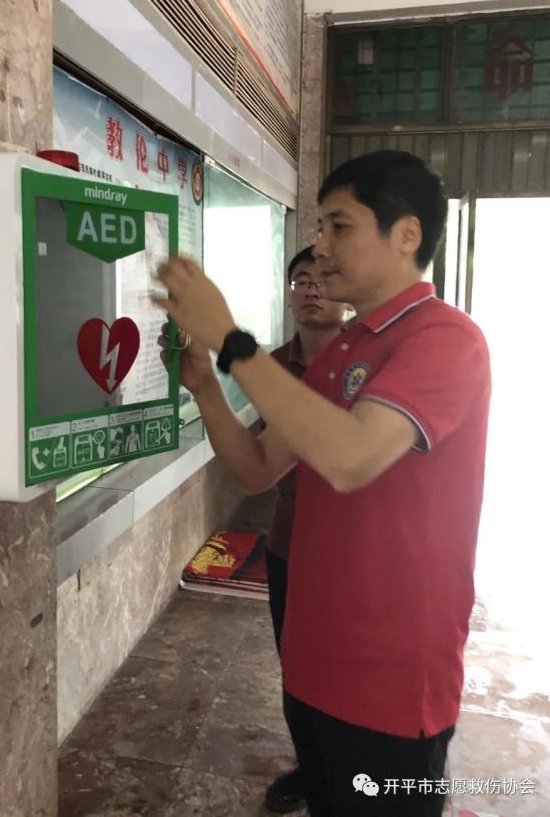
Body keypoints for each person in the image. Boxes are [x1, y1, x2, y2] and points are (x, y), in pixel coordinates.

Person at [154, 150, 490, 816]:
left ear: (406, 235)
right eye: (319, 227)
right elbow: (258, 467)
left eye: (339, 226)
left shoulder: (446, 341)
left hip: (392, 678)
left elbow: (350, 457)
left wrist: (231, 339)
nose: (321, 246)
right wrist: (205, 389)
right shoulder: (343, 348)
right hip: (316, 659)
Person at [263, 246, 349, 813]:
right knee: (295, 665)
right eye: (301, 280)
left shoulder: (367, 361)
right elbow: (265, 457)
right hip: (289, 542)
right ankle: (310, 770)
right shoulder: (272, 366)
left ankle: (348, 769)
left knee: (345, 665)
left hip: (349, 550)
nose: (311, 289)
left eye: (322, 279)